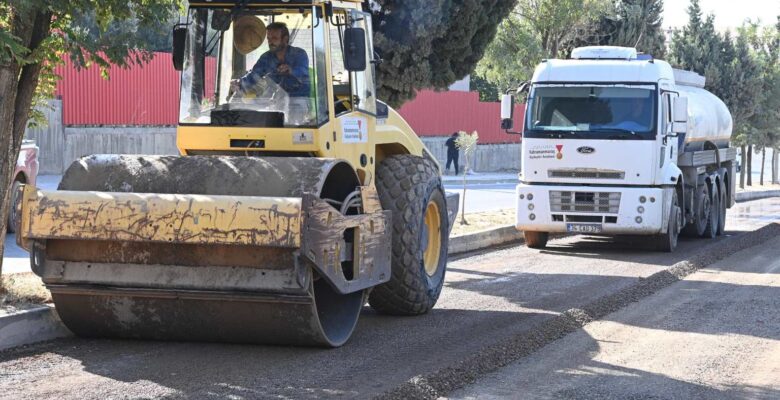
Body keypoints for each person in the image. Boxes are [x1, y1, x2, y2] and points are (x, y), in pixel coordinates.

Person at [232, 21, 310, 98]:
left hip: (299, 101)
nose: (270, 42)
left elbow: (303, 72)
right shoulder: (266, 57)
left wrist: (290, 70)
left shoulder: (299, 54)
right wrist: (240, 83)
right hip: (277, 101)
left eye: (274, 38)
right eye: (268, 39)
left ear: (285, 39)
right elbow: (254, 75)